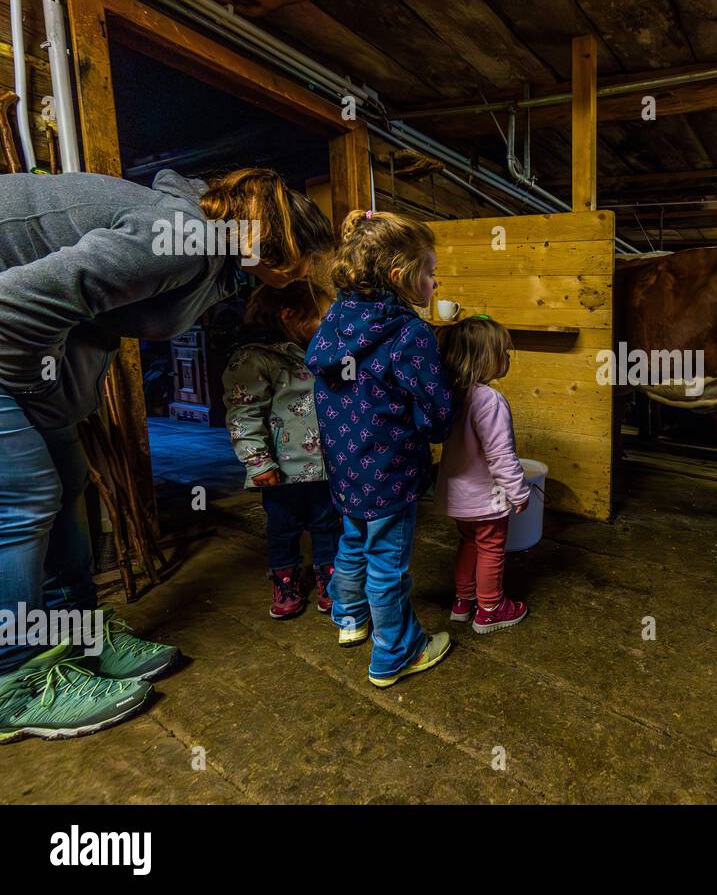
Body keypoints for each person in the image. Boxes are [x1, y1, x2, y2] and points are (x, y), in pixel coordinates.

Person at [0, 167, 333, 743]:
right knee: (25, 499)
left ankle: (77, 637)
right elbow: (14, 305)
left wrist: (58, 408)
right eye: (306, 256)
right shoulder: (183, 236)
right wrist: (34, 392)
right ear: (276, 241)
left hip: (24, 355)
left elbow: (85, 321)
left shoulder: (212, 256)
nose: (306, 272)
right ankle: (14, 681)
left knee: (68, 480)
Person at [306, 209, 457, 689]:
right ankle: (396, 653)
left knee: (353, 540)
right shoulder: (409, 334)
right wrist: (438, 423)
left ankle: (350, 619)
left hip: (345, 465)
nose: (435, 283)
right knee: (389, 561)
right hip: (390, 468)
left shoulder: (335, 321)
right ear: (400, 276)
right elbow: (434, 410)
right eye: (430, 273)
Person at [222, 280, 340, 620]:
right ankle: (285, 580)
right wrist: (258, 463)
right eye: (322, 317)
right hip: (282, 472)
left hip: (322, 468)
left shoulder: (313, 353)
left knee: (328, 524)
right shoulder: (253, 359)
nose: (328, 325)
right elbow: (243, 413)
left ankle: (330, 580)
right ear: (289, 316)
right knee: (283, 527)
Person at [432, 316, 531, 634]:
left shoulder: (455, 396)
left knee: (469, 542)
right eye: (503, 352)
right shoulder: (491, 401)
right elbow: (501, 456)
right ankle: (490, 608)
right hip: (486, 498)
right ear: (487, 359)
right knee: (491, 546)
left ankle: (463, 601)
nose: (507, 358)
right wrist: (519, 492)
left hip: (458, 495)